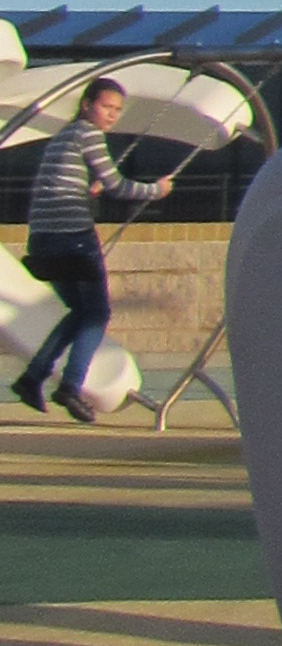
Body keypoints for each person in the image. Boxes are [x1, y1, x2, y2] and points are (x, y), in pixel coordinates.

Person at [13, 76, 167, 419]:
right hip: (72, 237)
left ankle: (33, 377)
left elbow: (57, 186)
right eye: (106, 106)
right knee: (96, 314)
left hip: (43, 239)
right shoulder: (88, 134)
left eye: (117, 110)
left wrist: (86, 189)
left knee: (79, 313)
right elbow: (117, 185)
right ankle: (70, 386)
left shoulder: (64, 137)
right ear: (87, 105)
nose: (112, 115)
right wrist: (157, 190)